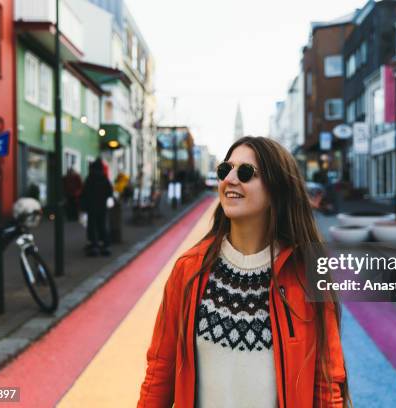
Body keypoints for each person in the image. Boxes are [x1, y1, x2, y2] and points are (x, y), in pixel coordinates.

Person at [137, 136, 350, 407]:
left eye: (246, 172)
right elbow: (160, 371)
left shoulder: (306, 275)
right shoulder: (189, 270)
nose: (231, 179)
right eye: (225, 170)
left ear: (276, 190)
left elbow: (327, 382)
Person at [80, 158, 114, 257]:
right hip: (102, 207)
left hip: (91, 207)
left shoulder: (90, 178)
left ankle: (94, 246)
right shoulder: (104, 178)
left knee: (92, 226)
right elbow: (110, 192)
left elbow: (84, 193)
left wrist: (83, 206)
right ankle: (105, 245)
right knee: (102, 225)